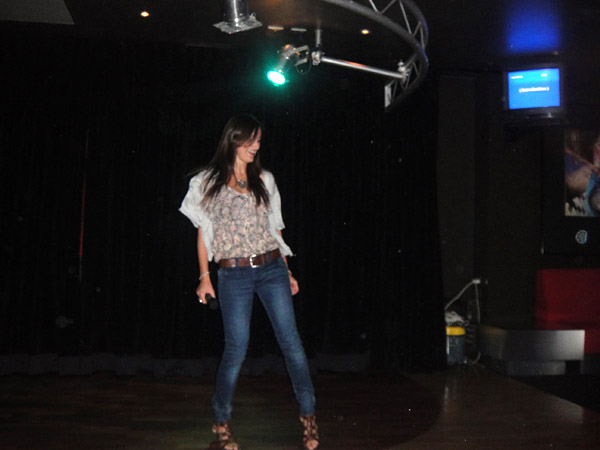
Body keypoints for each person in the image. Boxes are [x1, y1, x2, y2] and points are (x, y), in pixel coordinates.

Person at [179, 114, 318, 450]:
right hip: (234, 273)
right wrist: (204, 278)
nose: (256, 146)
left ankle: (309, 416)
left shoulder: (265, 180)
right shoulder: (206, 182)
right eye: (251, 140)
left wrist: (287, 271)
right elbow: (203, 234)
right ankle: (221, 419)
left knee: (292, 344)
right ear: (234, 139)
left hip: (271, 268)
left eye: (259, 140)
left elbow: (275, 229)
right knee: (236, 348)